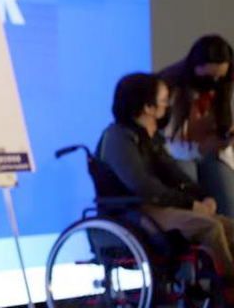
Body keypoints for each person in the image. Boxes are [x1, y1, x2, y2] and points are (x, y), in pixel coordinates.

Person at [97, 72, 234, 291]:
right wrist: (189, 204)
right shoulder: (118, 138)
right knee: (211, 227)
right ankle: (229, 285)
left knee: (230, 227)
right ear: (147, 107)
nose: (167, 105)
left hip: (158, 206)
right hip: (136, 211)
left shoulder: (150, 137)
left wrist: (201, 197)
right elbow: (142, 186)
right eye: (163, 100)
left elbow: (174, 173)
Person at [159, 35, 234, 214]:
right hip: (177, 152)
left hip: (214, 151)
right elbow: (168, 139)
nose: (214, 84)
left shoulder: (225, 85)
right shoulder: (169, 86)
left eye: (220, 78)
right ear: (194, 68)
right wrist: (199, 147)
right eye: (208, 78)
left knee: (227, 199)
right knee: (188, 188)